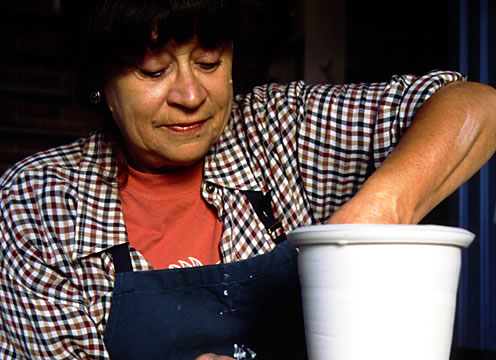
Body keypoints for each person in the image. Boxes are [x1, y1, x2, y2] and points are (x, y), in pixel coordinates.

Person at [1, 0, 496, 359]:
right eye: (153, 72)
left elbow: (477, 105)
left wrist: (382, 209)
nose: (191, 94)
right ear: (100, 80)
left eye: (209, 61)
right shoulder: (36, 203)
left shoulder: (279, 130)